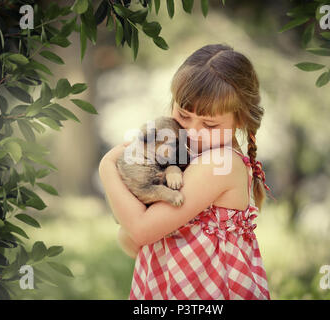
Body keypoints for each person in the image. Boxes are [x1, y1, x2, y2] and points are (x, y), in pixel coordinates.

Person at [98, 43, 273, 300]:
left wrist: (107, 167)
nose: (191, 132)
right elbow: (131, 240)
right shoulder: (186, 158)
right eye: (183, 115)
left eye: (210, 125)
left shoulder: (220, 164)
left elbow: (140, 230)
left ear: (240, 120)